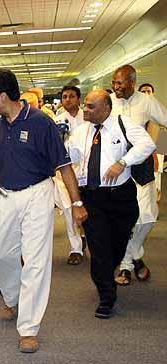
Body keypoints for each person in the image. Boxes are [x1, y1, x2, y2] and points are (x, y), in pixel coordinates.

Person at [0, 70, 86, 353]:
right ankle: (12, 299)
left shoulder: (41, 123)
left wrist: (76, 204)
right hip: (3, 197)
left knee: (36, 260)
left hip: (37, 194)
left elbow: (64, 166)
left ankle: (28, 327)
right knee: (3, 253)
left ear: (3, 95)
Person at [69, 89, 155, 318]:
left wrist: (123, 162)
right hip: (93, 197)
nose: (85, 110)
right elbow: (71, 160)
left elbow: (147, 145)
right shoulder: (80, 132)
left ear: (106, 108)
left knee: (116, 246)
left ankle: (108, 271)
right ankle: (106, 296)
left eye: (90, 107)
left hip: (121, 197)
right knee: (99, 249)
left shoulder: (123, 124)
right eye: (85, 105)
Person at [111, 65, 167, 286]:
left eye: (120, 83)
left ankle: (134, 254)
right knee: (123, 219)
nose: (115, 87)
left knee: (148, 215)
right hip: (116, 166)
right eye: (114, 82)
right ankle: (127, 265)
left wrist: (160, 149)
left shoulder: (146, 102)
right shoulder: (109, 101)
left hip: (141, 165)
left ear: (132, 82)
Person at [54, 86, 86, 265]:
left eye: (72, 96)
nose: (68, 99)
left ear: (79, 99)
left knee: (88, 209)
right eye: (64, 96)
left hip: (87, 172)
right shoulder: (56, 120)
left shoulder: (89, 117)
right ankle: (76, 248)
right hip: (64, 173)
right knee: (68, 210)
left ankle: (86, 237)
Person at [137, 83, 163, 204]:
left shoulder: (159, 111)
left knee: (156, 182)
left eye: (149, 91)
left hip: (157, 152)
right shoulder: (136, 113)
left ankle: (154, 204)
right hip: (141, 154)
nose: (146, 94)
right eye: (143, 92)